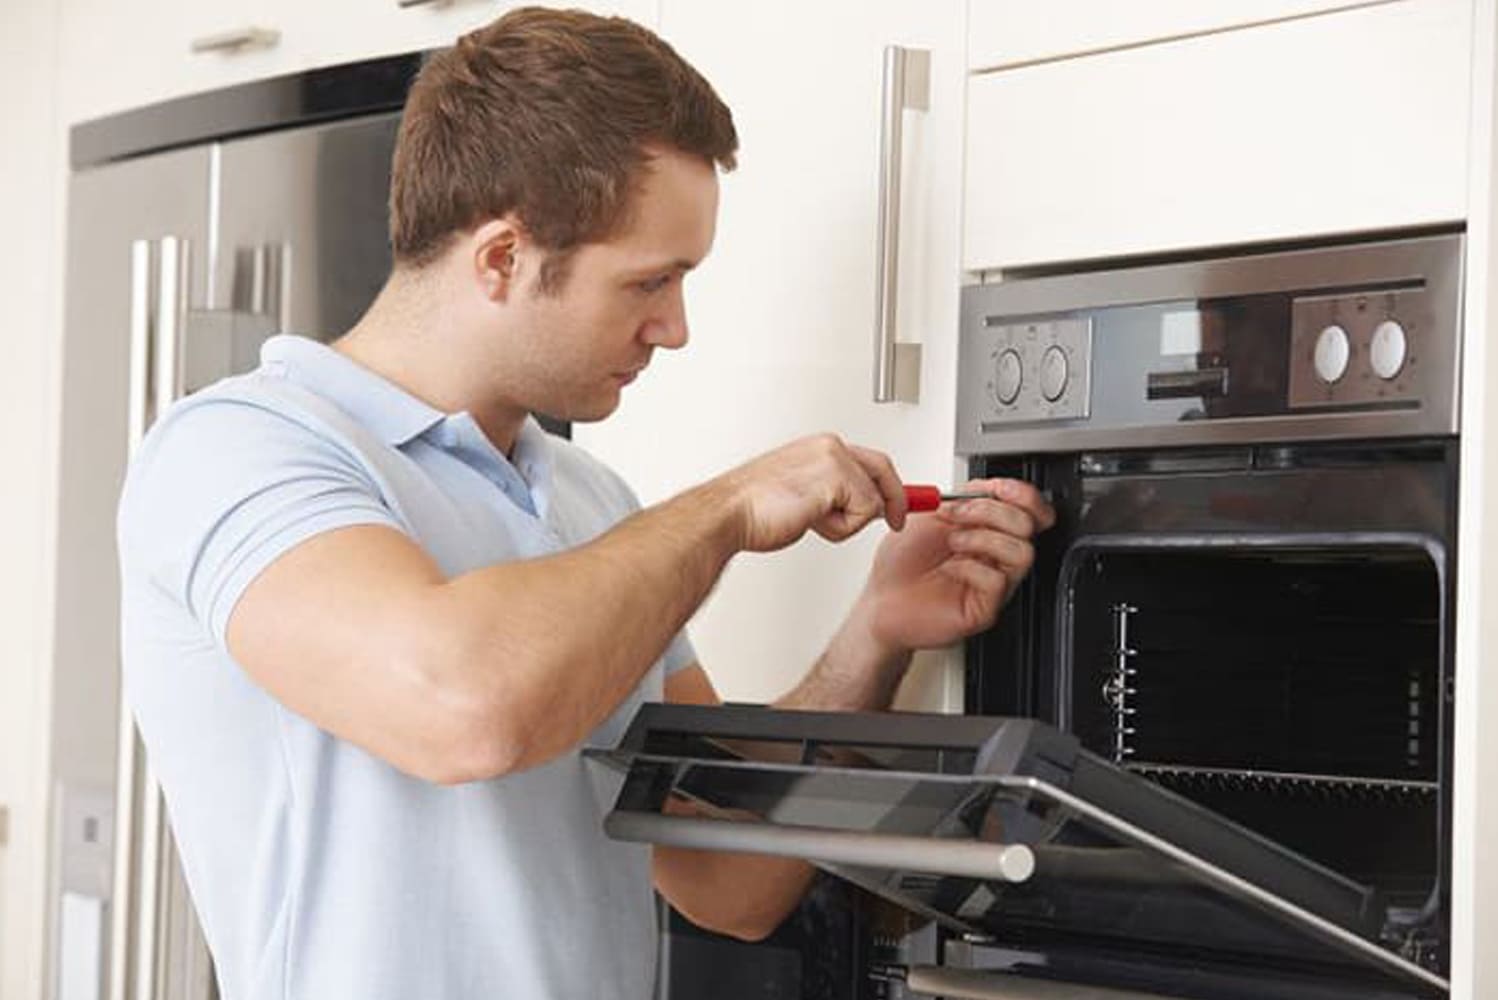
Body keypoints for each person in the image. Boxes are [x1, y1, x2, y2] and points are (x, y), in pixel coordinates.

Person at [116, 7, 1055, 1000]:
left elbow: (733, 881)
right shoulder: (240, 449)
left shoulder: (591, 500)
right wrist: (730, 505)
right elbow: (465, 711)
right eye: (650, 281)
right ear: (501, 259)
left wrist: (876, 632)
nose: (674, 327)